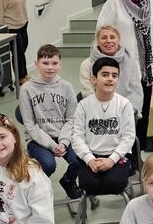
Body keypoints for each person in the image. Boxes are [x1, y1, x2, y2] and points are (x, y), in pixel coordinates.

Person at [97, 0, 153, 148]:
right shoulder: (113, 3)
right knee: (123, 111)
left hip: (147, 68)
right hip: (122, 67)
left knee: (142, 111)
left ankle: (138, 152)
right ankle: (122, 151)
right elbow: (102, 31)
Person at [18, 44, 82, 202]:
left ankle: (68, 181)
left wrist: (63, 142)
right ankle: (37, 191)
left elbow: (72, 119)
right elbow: (30, 124)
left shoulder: (67, 87)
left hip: (63, 137)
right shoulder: (26, 89)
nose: (50, 67)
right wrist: (53, 146)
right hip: (37, 139)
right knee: (48, 164)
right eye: (45, 63)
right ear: (36, 64)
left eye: (54, 63)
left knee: (80, 160)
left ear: (60, 64)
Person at [71, 57, 137, 202]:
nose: (110, 79)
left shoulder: (125, 104)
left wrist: (111, 160)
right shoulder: (83, 105)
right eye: (105, 74)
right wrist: (89, 160)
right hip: (92, 155)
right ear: (94, 79)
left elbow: (128, 137)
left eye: (114, 75)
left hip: (117, 156)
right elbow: (77, 137)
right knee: (88, 185)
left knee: (114, 183)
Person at [79, 24, 143, 115]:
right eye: (104, 38)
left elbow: (136, 91)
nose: (109, 41)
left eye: (112, 37)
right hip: (96, 111)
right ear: (98, 41)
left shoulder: (132, 62)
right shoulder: (87, 64)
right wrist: (104, 111)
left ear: (118, 40)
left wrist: (128, 111)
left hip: (126, 111)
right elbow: (87, 91)